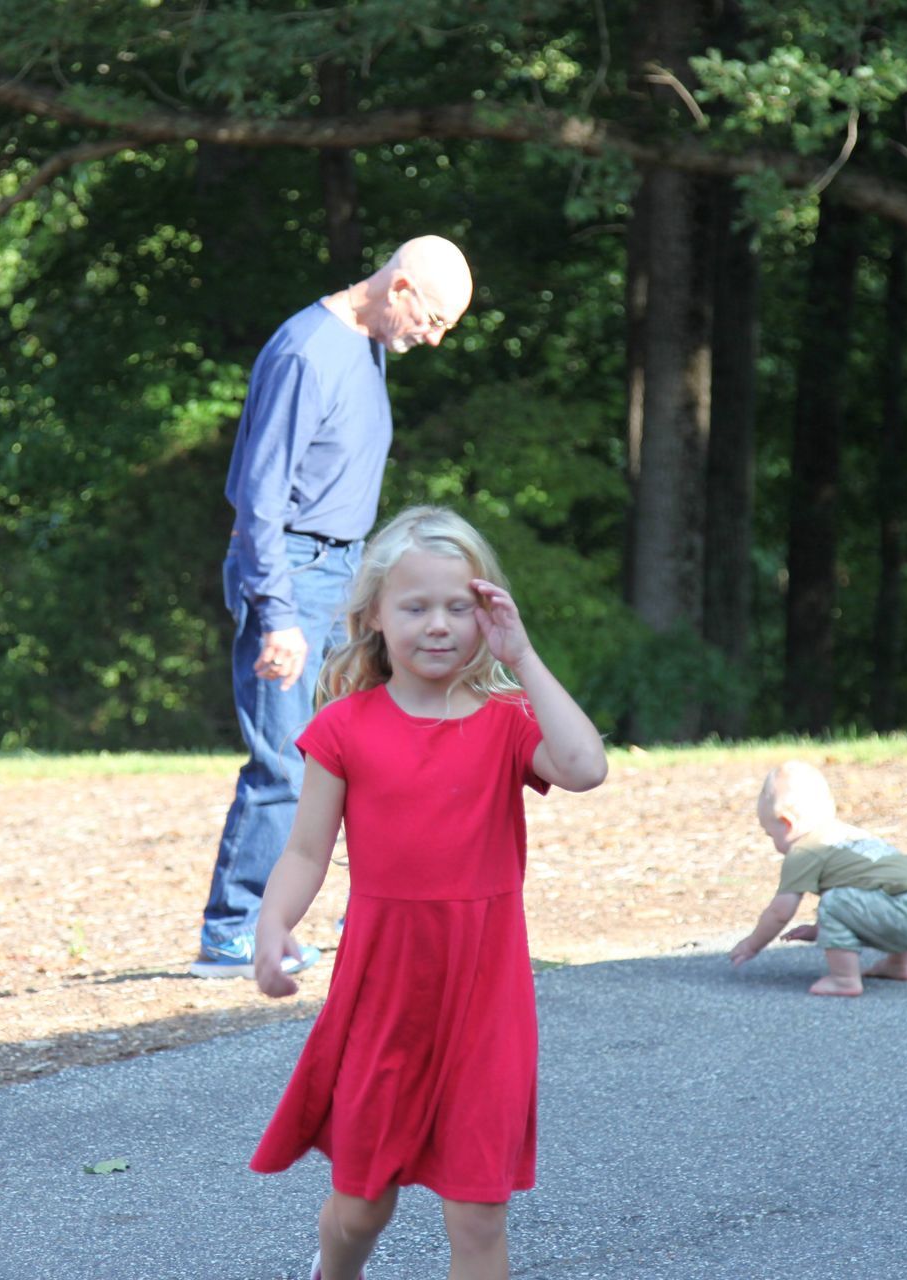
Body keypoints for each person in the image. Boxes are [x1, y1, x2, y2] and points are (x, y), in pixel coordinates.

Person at [247, 506, 608, 1280]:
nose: (437, 626)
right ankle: (333, 1271)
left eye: (458, 607)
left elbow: (585, 767)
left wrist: (524, 655)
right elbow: (308, 851)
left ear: (485, 614)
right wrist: (273, 924)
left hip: (487, 996)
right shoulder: (345, 728)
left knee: (478, 1215)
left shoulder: (510, 721)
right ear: (375, 615)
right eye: (415, 607)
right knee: (361, 1206)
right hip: (385, 993)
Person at [192, 237, 475, 979]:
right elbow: (258, 497)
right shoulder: (305, 353)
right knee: (287, 761)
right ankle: (234, 930)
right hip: (293, 572)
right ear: (401, 287)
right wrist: (277, 612)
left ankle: (379, 908)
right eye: (435, 318)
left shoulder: (367, 342)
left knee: (371, 748)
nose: (436, 338)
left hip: (346, 572)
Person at [730, 759, 907, 997]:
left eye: (770, 834)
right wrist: (820, 929)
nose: (772, 843)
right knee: (870, 895)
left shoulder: (804, 849)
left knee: (834, 902)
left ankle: (844, 979)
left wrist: (752, 944)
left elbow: (780, 912)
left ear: (787, 824)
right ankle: (899, 964)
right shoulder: (847, 834)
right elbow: (866, 893)